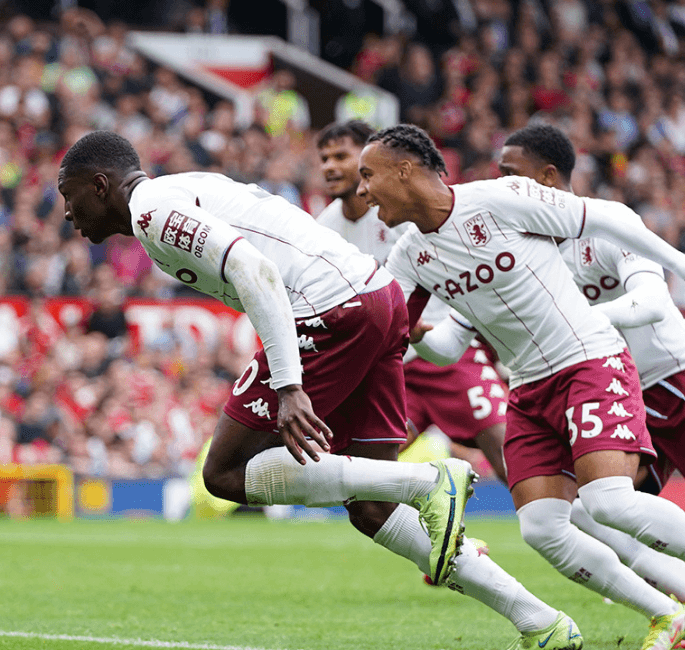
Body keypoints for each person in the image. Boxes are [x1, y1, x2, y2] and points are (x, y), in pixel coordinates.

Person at [59, 130, 581, 650]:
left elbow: (252, 267)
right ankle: (541, 622)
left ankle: (428, 480)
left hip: (330, 311)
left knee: (222, 472)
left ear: (100, 185)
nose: (66, 211)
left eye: (69, 195)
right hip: (374, 299)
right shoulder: (177, 193)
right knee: (372, 507)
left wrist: (288, 384)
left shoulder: (153, 211)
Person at [364, 123, 685, 650]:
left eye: (368, 175)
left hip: (589, 362)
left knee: (609, 503)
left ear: (405, 170)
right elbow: (433, 344)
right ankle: (666, 614)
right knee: (542, 528)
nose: (362, 190)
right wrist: (416, 335)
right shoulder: (409, 256)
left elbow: (610, 215)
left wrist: (678, 264)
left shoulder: (498, 199)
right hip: (529, 390)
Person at [494, 123, 685, 602]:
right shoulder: (525, 251)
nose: (500, 187)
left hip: (670, 379)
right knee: (586, 509)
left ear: (550, 178)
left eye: (511, 175)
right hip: (611, 388)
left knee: (608, 507)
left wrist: (576, 320)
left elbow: (654, 301)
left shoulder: (605, 225)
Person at [316, 119, 508, 483]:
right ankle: (436, 532)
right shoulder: (323, 231)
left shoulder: (401, 212)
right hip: (391, 368)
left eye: (340, 156)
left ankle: (567, 529)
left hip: (445, 353)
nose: (329, 166)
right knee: (365, 471)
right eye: (323, 158)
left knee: (504, 447)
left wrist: (464, 329)